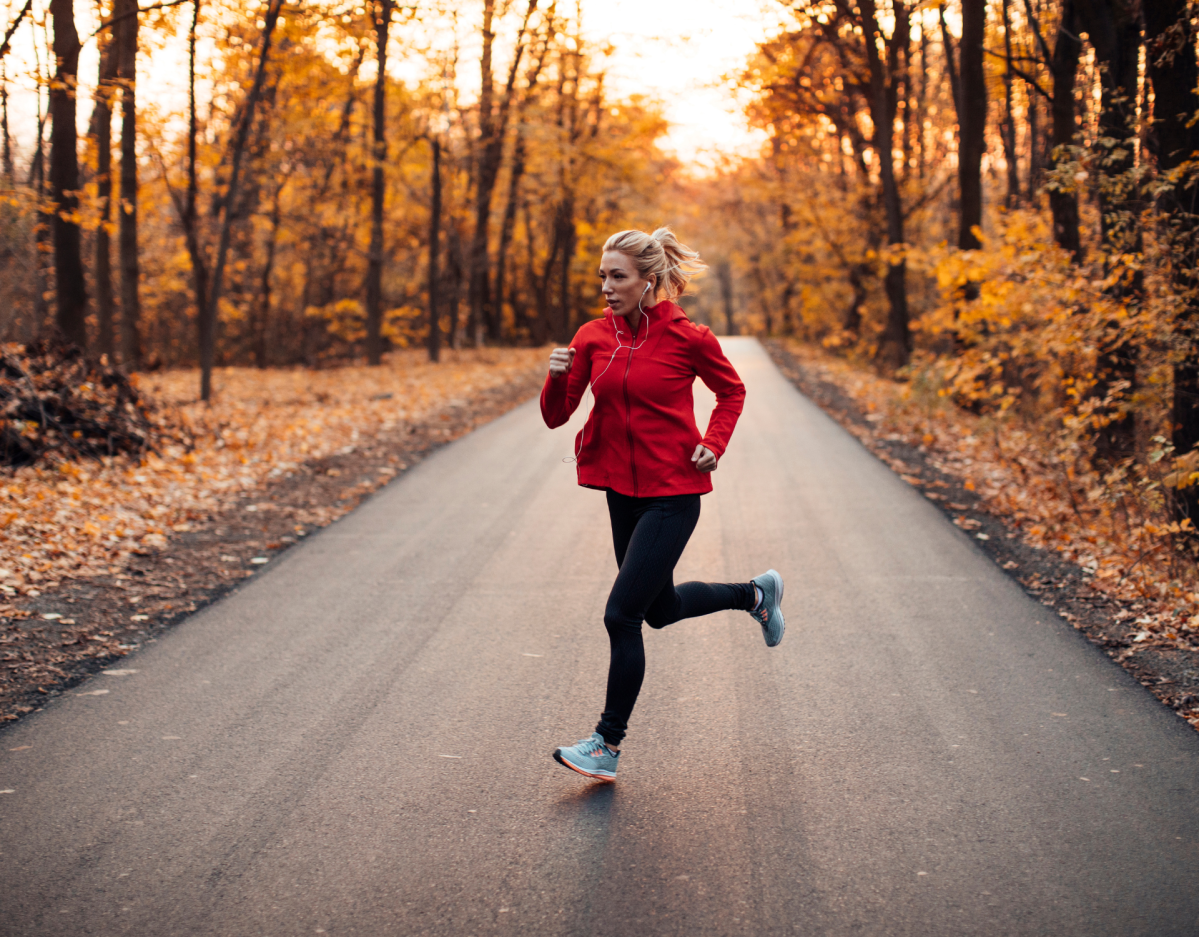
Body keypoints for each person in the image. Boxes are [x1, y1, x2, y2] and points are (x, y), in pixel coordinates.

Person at [541, 226, 785, 782]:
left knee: (621, 615)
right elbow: (558, 415)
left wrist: (713, 443)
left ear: (649, 281)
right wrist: (555, 380)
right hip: (621, 495)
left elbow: (732, 391)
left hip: (673, 494)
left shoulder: (688, 337)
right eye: (603, 276)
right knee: (659, 608)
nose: (606, 286)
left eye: (618, 276)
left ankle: (606, 744)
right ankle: (754, 593)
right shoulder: (592, 337)